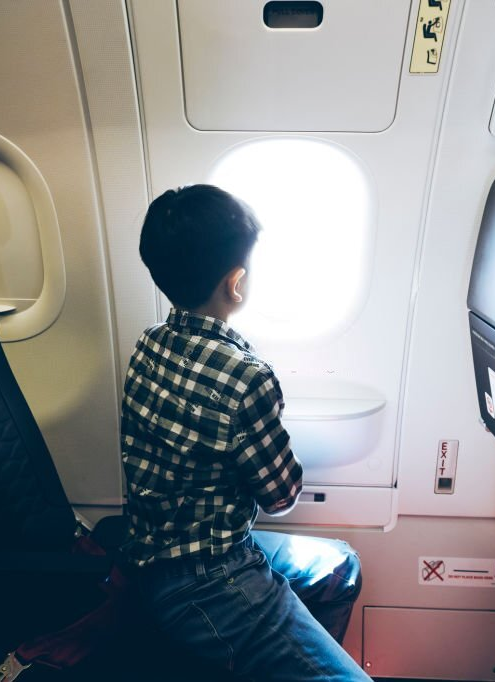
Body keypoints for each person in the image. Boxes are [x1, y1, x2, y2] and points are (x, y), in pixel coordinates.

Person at [120, 184, 371, 681]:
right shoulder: (246, 376)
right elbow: (281, 497)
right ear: (236, 284)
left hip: (150, 552)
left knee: (338, 565)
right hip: (213, 579)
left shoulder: (148, 344)